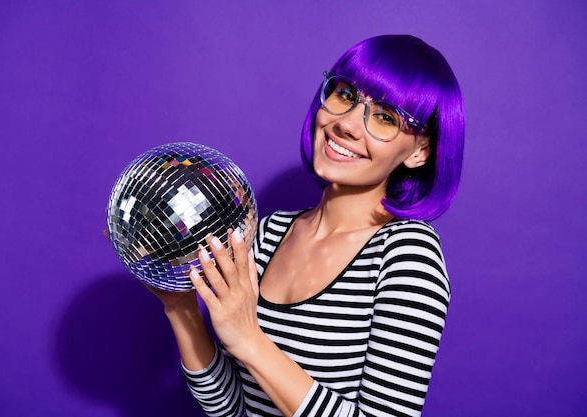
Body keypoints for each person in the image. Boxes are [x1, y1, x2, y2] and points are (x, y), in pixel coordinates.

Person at [150, 34, 465, 417]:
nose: (346, 124)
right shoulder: (264, 234)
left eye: (385, 117)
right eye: (346, 95)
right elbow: (235, 409)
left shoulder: (406, 256)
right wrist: (180, 307)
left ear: (419, 152)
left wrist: (249, 340)